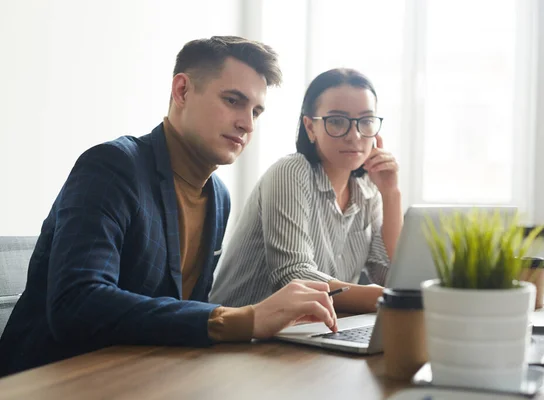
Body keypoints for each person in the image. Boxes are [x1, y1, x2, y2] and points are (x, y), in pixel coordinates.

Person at [0, 36, 338, 378]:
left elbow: (179, 313)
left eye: (256, 111)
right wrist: (245, 319)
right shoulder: (111, 167)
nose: (247, 124)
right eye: (233, 101)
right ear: (182, 91)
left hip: (145, 375)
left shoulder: (218, 197)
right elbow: (77, 304)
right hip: (50, 378)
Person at [210, 68, 403, 314]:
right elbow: (295, 275)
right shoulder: (291, 172)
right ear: (310, 127)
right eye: (336, 121)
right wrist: (393, 299)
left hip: (312, 333)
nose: (354, 135)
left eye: (365, 121)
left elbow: (391, 276)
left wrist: (391, 193)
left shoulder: (367, 191)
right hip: (243, 339)